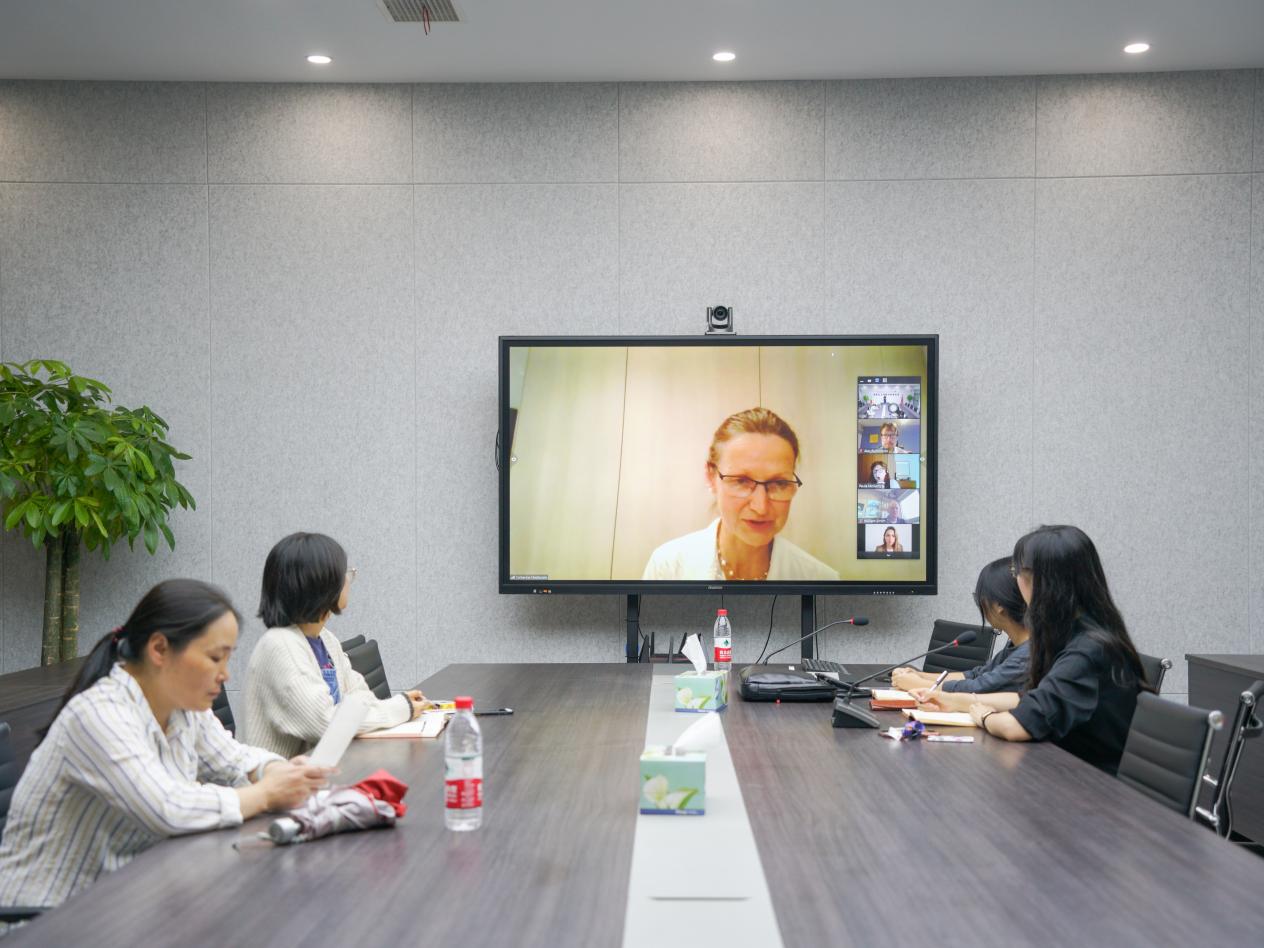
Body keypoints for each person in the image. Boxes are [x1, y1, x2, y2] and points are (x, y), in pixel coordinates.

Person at [0, 580, 328, 921]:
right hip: (46, 920)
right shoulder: (98, 714)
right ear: (159, 649)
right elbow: (168, 807)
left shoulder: (184, 709)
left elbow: (236, 759)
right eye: (215, 658)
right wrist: (266, 794)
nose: (225, 675)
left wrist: (275, 771)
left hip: (127, 901)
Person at [911, 525, 1148, 774]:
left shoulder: (1088, 649)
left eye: (1017, 572)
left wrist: (984, 717)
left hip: (1091, 783)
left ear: (1045, 581)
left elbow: (1015, 726)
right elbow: (1029, 698)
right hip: (1064, 768)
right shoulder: (1071, 634)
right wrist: (955, 701)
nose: (1015, 581)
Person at [244, 532, 433, 758]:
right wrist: (400, 708)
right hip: (281, 779)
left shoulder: (325, 639)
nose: (348, 579)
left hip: (321, 768)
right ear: (320, 583)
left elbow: (363, 698)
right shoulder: (279, 646)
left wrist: (355, 712)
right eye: (344, 573)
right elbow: (325, 724)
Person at [642, 407, 839, 581]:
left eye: (779, 483)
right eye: (741, 481)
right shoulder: (668, 568)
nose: (761, 507)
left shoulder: (820, 580)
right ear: (711, 477)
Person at [891, 558, 1029, 693]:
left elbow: (979, 687)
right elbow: (976, 675)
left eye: (980, 598)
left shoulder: (1028, 654)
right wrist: (919, 676)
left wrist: (918, 684)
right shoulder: (1014, 645)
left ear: (999, 605)